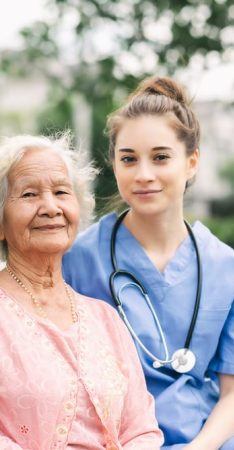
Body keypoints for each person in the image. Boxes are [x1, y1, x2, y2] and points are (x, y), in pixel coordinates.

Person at [63, 77, 234, 450]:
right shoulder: (78, 260)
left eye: (161, 157)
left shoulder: (232, 272)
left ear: (191, 162)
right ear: (114, 164)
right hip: (110, 440)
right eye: (128, 158)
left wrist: (198, 449)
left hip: (201, 441)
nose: (143, 174)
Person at [0, 134, 163, 450]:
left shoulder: (104, 318)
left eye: (62, 192)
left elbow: (141, 428)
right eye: (29, 194)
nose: (51, 207)